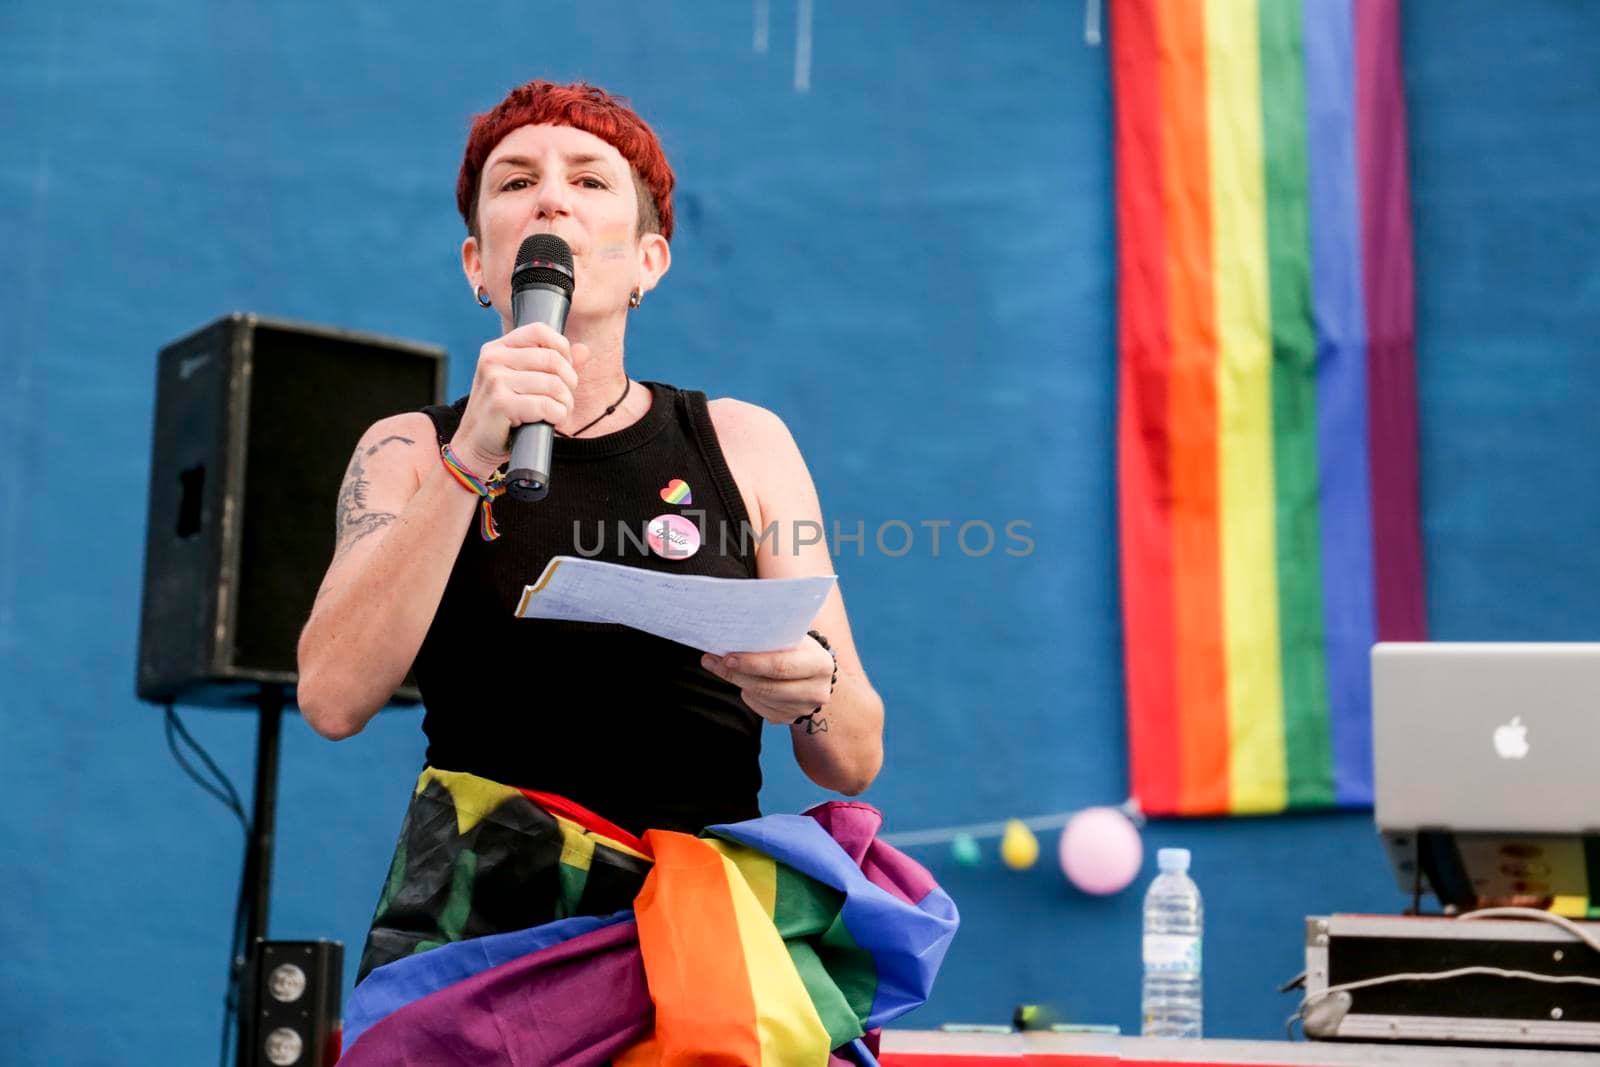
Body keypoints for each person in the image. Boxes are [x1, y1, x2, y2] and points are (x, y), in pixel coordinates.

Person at [294, 80, 885, 974]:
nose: (551, 195)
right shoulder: (408, 449)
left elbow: (852, 755)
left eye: (591, 180)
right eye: (516, 179)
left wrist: (808, 685)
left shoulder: (746, 444)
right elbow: (332, 697)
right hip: (481, 940)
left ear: (649, 261)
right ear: (477, 266)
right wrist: (475, 452)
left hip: (693, 944)